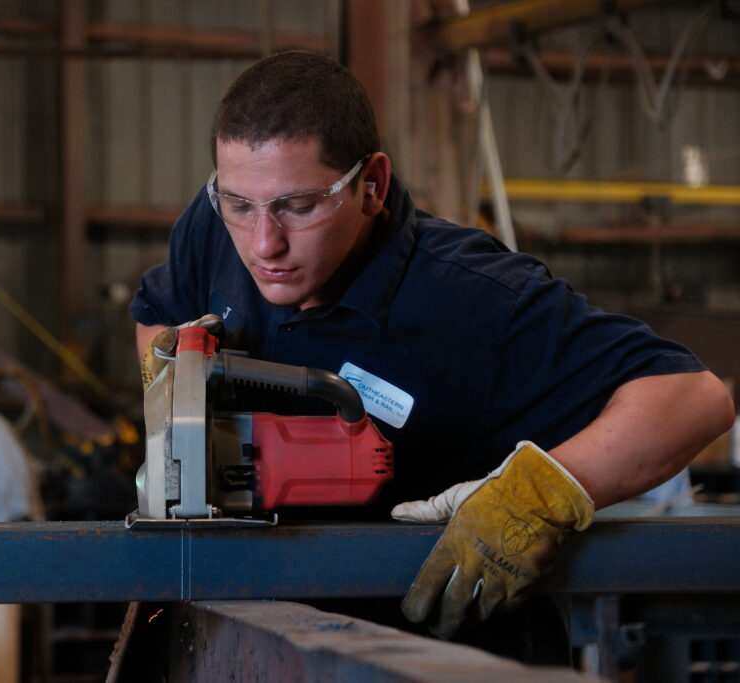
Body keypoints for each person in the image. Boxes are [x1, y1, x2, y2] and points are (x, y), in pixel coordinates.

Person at [129, 51, 735, 661]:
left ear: (373, 186)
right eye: (241, 205)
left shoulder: (477, 298)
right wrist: (172, 400)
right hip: (248, 636)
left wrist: (536, 495)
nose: (264, 243)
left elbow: (693, 398)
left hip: (440, 652)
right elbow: (158, 309)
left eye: (299, 206)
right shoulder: (213, 227)